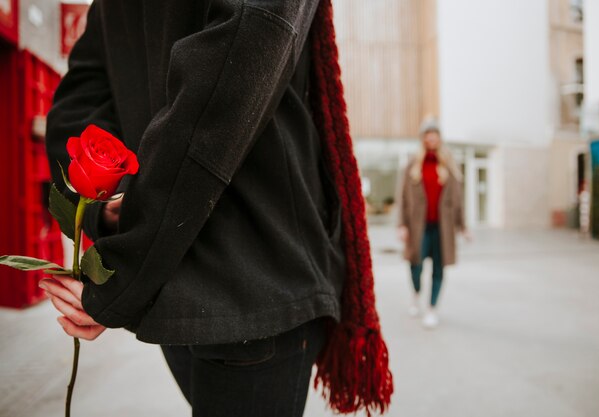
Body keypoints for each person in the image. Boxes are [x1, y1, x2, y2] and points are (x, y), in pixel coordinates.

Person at [42, 1, 392, 416]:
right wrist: (124, 268)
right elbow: (219, 97)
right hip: (259, 285)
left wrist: (122, 213)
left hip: (184, 290)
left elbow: (80, 102)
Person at [396, 117, 467, 329]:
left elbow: (458, 199)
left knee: (439, 268)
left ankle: (432, 308)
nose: (431, 137)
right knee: (415, 264)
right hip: (418, 227)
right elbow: (401, 197)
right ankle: (416, 292)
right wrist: (401, 224)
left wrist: (463, 226)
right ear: (423, 138)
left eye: (434, 133)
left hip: (442, 228)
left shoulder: (448, 165)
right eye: (427, 134)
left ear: (439, 137)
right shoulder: (412, 164)